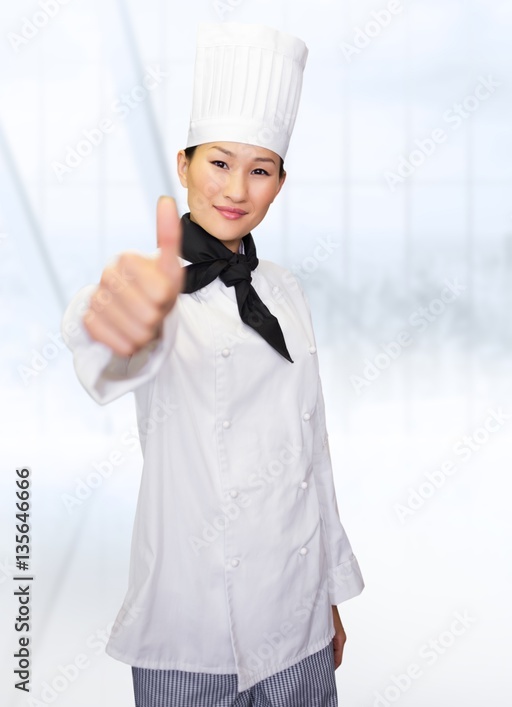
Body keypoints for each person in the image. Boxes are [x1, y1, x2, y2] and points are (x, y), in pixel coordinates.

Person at [59, 22, 363, 707]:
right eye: (219, 162)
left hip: (299, 628)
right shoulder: (160, 290)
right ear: (184, 164)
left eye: (260, 169)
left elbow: (311, 455)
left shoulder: (286, 290)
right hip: (189, 632)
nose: (237, 188)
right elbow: (110, 338)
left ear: (281, 181)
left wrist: (329, 597)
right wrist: (112, 319)